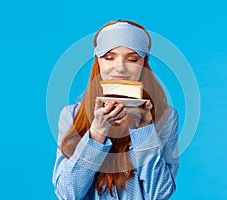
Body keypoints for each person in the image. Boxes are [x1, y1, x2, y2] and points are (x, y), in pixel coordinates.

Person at [52, 20, 179, 200]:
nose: (120, 67)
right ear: (98, 61)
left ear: (144, 63)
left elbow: (159, 194)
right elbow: (68, 194)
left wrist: (144, 129)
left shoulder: (166, 117)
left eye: (132, 59)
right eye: (109, 57)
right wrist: (96, 133)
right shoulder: (71, 115)